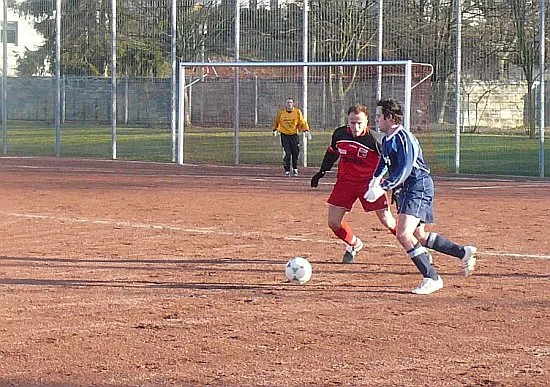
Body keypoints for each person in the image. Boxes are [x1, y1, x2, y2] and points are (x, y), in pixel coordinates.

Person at [365, 98, 477, 295]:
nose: (376, 120)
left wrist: (385, 186)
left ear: (389, 118)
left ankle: (432, 277)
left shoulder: (403, 137)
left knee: (403, 234)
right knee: (420, 236)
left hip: (418, 186)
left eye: (378, 117)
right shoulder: (387, 139)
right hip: (407, 189)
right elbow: (384, 162)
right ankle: (463, 252)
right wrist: (374, 181)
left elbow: (406, 168)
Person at [310, 104, 397, 264]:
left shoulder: (375, 140)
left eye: (359, 123)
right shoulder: (340, 134)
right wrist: (321, 172)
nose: (355, 126)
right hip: (345, 182)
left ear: (367, 123)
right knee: (333, 222)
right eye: (352, 122)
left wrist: (395, 186)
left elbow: (390, 163)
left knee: (387, 220)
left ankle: (416, 247)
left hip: (370, 183)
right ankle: (354, 244)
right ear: (347, 121)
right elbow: (332, 152)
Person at [273, 98, 312, 176]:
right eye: (288, 102)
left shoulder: (297, 112)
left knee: (295, 152)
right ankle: (287, 170)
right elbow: (277, 121)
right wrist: (275, 129)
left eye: (290, 102)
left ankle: (295, 168)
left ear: (293, 104)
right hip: (284, 135)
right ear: (285, 104)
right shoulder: (281, 113)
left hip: (294, 135)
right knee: (287, 153)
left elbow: (302, 122)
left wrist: (306, 130)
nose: (289, 104)